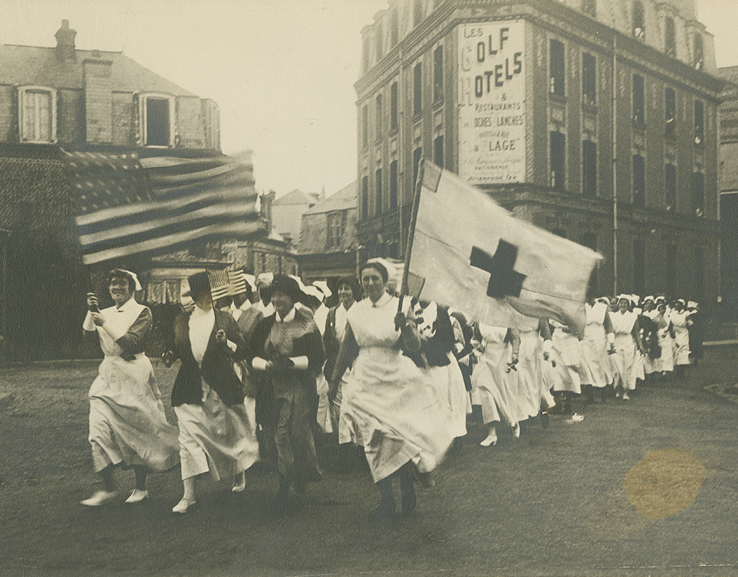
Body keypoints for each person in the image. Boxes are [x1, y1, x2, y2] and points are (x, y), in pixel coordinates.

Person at [329, 259, 455, 522]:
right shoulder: (356, 311)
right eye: (366, 279)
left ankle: (407, 483)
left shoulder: (402, 306)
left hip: (395, 375)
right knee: (372, 440)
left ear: (385, 281)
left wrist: (407, 326)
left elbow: (414, 344)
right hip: (364, 379)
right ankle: (386, 497)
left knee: (399, 435)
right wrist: (334, 380)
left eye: (375, 278)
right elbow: (346, 348)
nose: (370, 283)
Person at [80, 269, 179, 506]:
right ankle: (108, 487)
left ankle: (140, 487)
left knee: (138, 431)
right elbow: (86, 337)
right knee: (98, 431)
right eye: (113, 284)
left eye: (122, 284)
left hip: (135, 375)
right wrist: (91, 311)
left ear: (131, 287)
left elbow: (132, 343)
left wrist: (104, 322)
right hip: (108, 377)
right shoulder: (103, 312)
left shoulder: (142, 312)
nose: (116, 288)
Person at [166, 271, 260, 514]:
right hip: (189, 387)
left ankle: (238, 473)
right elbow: (176, 347)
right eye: (204, 293)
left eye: (212, 293)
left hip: (220, 385)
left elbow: (241, 349)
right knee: (187, 438)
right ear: (196, 295)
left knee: (227, 432)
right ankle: (189, 495)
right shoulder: (181, 321)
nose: (209, 298)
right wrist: (170, 355)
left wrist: (226, 343)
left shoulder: (225, 320)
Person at [249, 274, 325, 512]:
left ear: (292, 298)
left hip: (299, 387)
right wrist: (266, 365)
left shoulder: (305, 321)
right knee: (278, 435)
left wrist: (291, 363)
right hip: (272, 389)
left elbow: (318, 355)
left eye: (281, 294)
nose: (276, 299)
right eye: (273, 295)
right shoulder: (264, 324)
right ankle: (285, 481)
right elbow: (251, 354)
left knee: (297, 434)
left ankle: (300, 474)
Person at [323, 276, 361, 435]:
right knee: (338, 407)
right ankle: (343, 448)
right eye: (340, 288)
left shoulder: (361, 311)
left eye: (347, 288)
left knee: (355, 407)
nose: (343, 292)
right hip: (338, 367)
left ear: (354, 291)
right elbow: (327, 342)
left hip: (357, 366)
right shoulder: (332, 313)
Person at [670, 299, 691, 377]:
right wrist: (672, 332)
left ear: (682, 306)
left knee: (682, 350)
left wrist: (688, 320)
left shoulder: (686, 314)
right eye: (675, 305)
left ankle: (681, 369)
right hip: (675, 332)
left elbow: (691, 324)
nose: (676, 307)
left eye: (678, 305)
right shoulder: (672, 313)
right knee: (675, 349)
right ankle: (677, 368)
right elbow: (670, 324)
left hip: (683, 333)